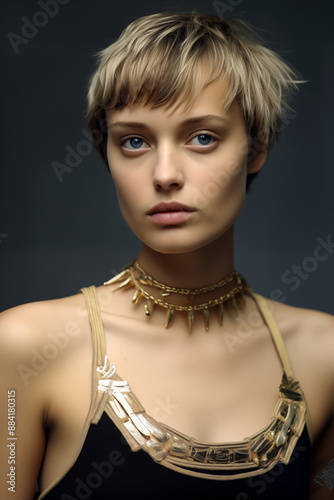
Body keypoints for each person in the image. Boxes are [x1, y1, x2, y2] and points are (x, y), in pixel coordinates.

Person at [0, 11, 333, 500]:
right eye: (134, 141)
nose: (165, 174)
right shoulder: (23, 347)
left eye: (202, 137)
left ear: (255, 147)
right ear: (106, 152)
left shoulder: (324, 355)